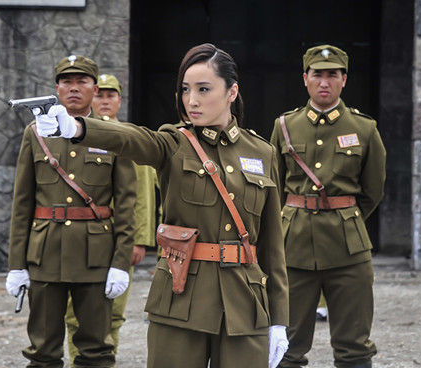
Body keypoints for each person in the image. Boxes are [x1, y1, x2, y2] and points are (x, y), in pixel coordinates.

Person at [34, 43, 290, 368]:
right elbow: (132, 139)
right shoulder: (174, 143)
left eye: (203, 89)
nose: (191, 100)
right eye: (185, 89)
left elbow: (271, 246)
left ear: (231, 91)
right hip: (181, 299)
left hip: (245, 303)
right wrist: (78, 128)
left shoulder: (262, 153)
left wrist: (279, 318)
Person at [6, 55, 136, 368]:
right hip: (45, 254)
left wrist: (121, 262)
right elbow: (22, 202)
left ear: (95, 88)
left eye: (82, 82)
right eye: (67, 81)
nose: (74, 88)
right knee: (43, 351)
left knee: (95, 351)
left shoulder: (114, 134)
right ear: (56, 88)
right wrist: (16, 264)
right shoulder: (35, 133)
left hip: (95, 255)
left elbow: (127, 203)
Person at [270, 45, 386, 368]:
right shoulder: (285, 127)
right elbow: (273, 189)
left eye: (332, 74)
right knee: (286, 347)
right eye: (317, 74)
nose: (324, 82)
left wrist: (345, 218)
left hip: (349, 252)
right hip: (293, 249)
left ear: (344, 80)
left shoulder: (364, 129)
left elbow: (372, 191)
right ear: (305, 79)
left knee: (354, 348)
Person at [64, 73, 157, 364]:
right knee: (74, 315)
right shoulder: (74, 131)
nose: (105, 100)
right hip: (84, 236)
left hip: (119, 238)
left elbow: (141, 194)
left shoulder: (129, 136)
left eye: (110, 95)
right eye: (100, 95)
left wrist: (139, 240)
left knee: (113, 313)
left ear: (119, 100)